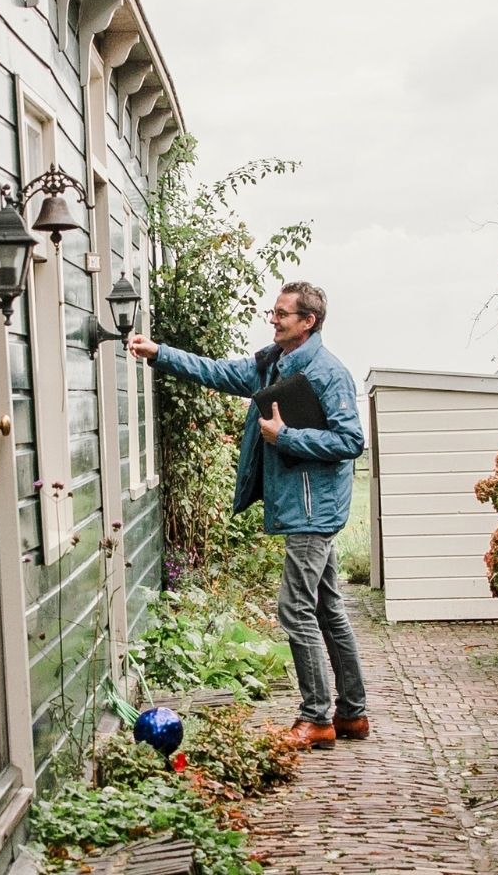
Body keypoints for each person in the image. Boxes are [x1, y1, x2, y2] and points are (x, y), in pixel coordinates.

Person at [129, 281, 368, 752]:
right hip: (301, 507)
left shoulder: (328, 373)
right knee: (326, 608)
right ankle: (352, 714)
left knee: (295, 610)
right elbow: (216, 372)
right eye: (273, 313)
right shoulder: (271, 366)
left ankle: (316, 717)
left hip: (312, 511)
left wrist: (288, 437)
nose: (273, 320)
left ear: (308, 322)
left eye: (281, 314)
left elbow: (350, 442)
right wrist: (159, 353)